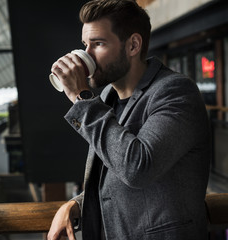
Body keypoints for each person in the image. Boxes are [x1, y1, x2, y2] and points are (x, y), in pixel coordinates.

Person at [47, 0, 211, 239]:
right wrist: (77, 204)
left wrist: (82, 98)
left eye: (98, 43)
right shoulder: (106, 97)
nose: (87, 54)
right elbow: (115, 173)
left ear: (133, 45)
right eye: (85, 44)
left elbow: (137, 168)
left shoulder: (175, 91)